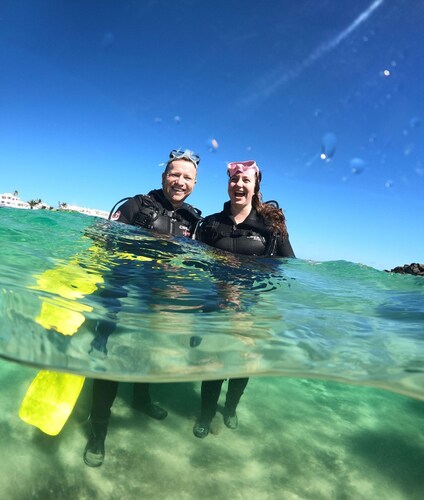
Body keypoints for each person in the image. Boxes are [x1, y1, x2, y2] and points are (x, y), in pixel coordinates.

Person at [84, 149, 202, 467]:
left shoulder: (194, 218)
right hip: (121, 296)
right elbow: (104, 240)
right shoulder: (136, 204)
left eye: (187, 177)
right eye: (174, 174)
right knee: (110, 361)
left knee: (147, 351)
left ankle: (141, 399)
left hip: (157, 300)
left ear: (195, 183)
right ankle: (97, 431)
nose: (180, 181)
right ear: (164, 176)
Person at [193, 160, 295, 439]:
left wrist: (256, 299)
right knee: (213, 364)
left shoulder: (271, 227)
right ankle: (205, 413)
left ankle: (231, 409)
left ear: (255, 187)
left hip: (251, 306)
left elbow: (288, 267)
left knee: (241, 363)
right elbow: (195, 264)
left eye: (245, 181)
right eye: (234, 180)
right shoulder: (211, 223)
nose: (239, 185)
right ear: (228, 184)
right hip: (215, 304)